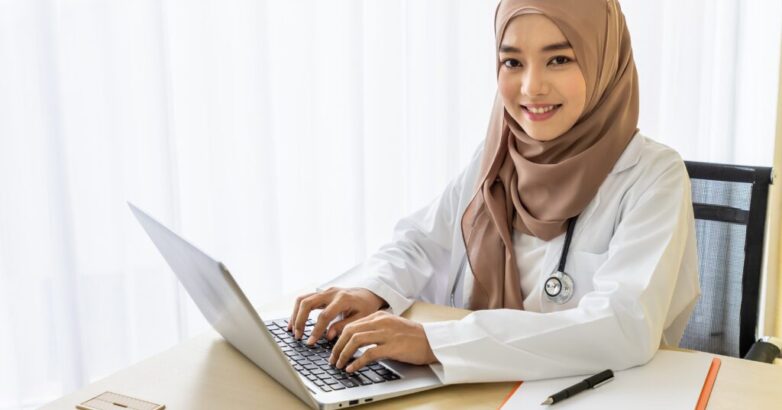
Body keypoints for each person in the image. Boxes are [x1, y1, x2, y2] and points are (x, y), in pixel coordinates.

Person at [288, 0, 700, 384]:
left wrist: (435, 343)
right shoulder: (497, 157)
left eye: (559, 59)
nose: (531, 87)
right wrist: (371, 289)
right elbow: (420, 244)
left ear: (604, 59)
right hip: (478, 392)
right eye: (512, 62)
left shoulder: (652, 176)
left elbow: (622, 325)